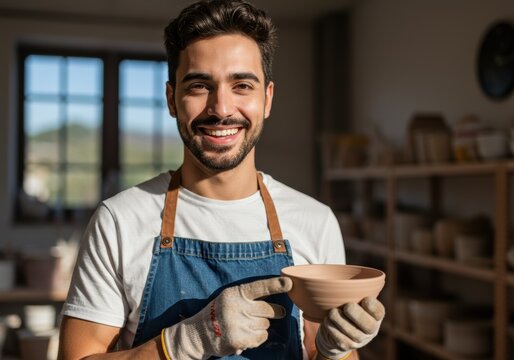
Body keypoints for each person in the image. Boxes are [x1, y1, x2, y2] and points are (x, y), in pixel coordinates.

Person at [58, 0, 385, 359]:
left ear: (268, 99)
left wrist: (334, 351)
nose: (222, 109)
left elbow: (325, 352)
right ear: (171, 99)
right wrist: (182, 343)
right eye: (199, 86)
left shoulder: (315, 221)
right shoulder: (119, 221)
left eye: (242, 85)